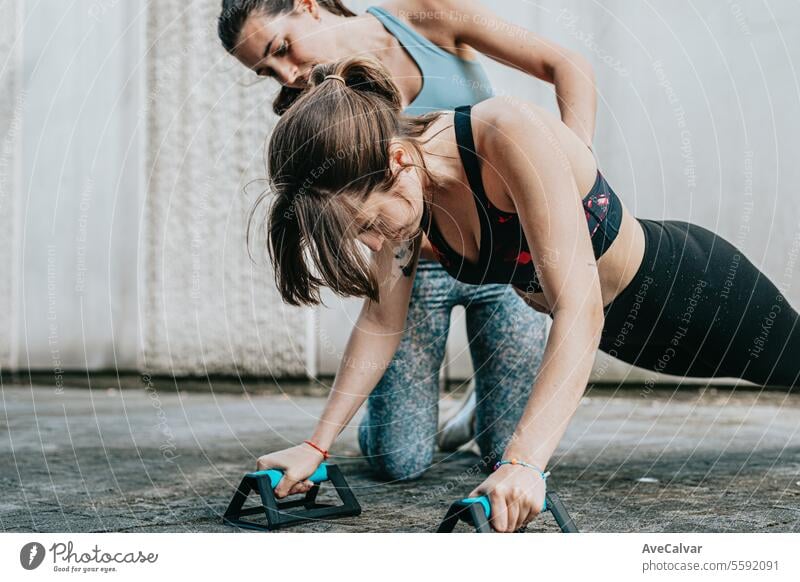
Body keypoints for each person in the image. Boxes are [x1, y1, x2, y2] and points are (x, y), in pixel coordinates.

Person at [252, 57, 800, 532]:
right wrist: (316, 446)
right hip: (628, 338)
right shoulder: (405, 202)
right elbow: (380, 321)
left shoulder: (504, 134)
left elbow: (578, 308)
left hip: (690, 293)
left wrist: (524, 463)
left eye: (370, 224)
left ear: (397, 161)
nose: (374, 242)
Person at [218, 0, 598, 478]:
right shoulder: (316, 110)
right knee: (399, 461)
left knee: (503, 453)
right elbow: (377, 299)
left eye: (281, 49)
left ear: (307, 6)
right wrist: (318, 444)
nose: (287, 74)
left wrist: (574, 174)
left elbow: (567, 65)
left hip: (505, 260)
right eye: (267, 72)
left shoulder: (425, 14)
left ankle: (484, 409)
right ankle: (393, 420)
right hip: (415, 274)